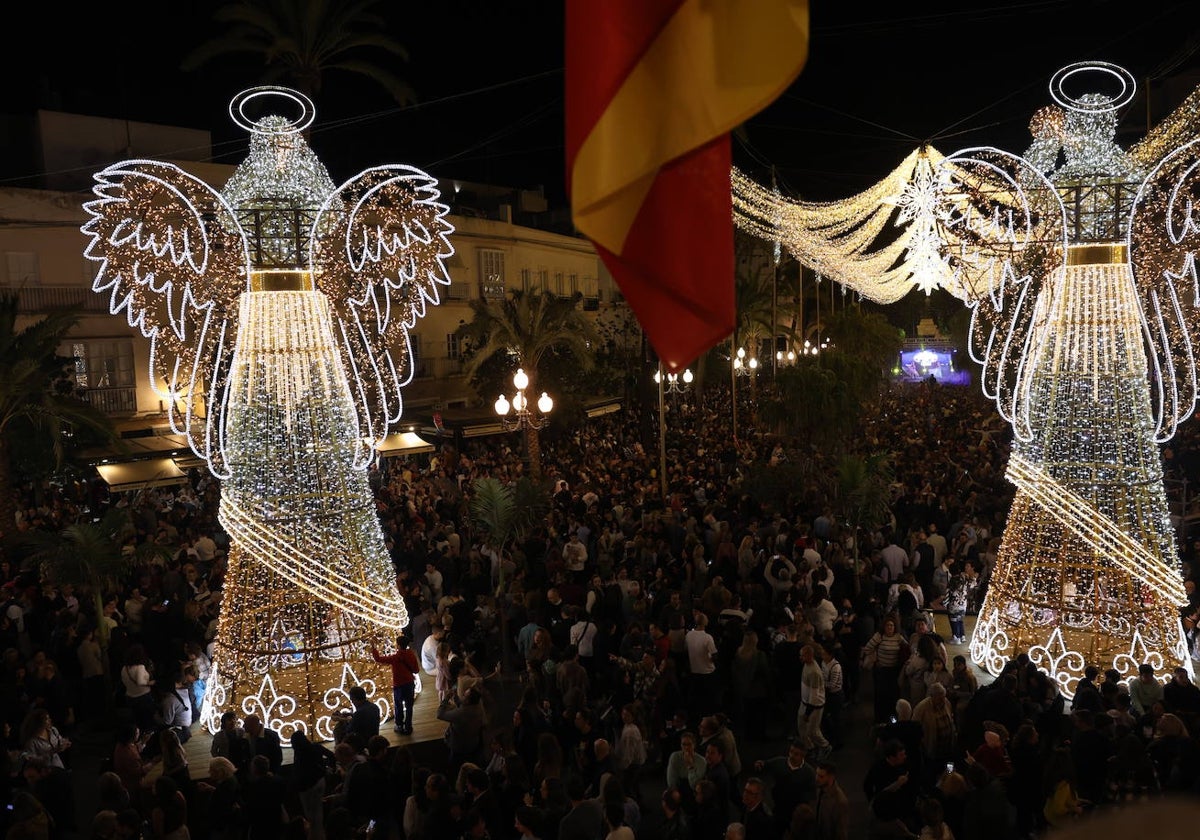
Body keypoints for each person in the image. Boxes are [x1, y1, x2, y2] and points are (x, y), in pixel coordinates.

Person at [371, 635, 420, 734]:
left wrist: (373, 648)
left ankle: (399, 725)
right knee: (409, 706)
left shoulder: (396, 657)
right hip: (410, 683)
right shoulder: (411, 654)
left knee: (398, 706)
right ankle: (408, 726)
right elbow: (416, 670)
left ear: (398, 645)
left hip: (399, 685)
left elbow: (378, 659)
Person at [813, 761, 849, 840]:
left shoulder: (840, 802)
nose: (817, 779)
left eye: (821, 776)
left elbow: (841, 831)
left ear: (831, 777)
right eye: (817, 774)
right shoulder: (819, 788)